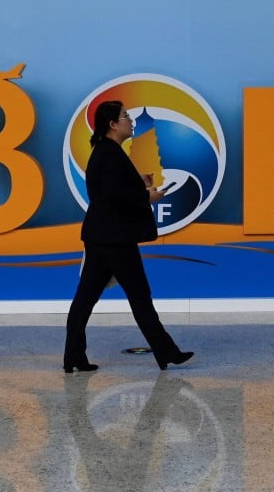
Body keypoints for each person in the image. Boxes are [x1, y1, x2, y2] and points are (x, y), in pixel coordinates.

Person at [63, 100, 194, 374]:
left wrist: (140, 183)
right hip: (115, 240)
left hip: (102, 237)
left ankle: (73, 356)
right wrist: (148, 196)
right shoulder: (109, 154)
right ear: (112, 124)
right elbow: (114, 196)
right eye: (125, 116)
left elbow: (112, 189)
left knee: (85, 299)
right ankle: (166, 352)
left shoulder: (106, 151)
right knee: (139, 296)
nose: (130, 121)